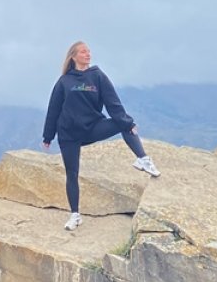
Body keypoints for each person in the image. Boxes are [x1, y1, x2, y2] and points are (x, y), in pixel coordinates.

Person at [42, 41, 159, 231]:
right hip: (69, 134)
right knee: (72, 174)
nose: (88, 54)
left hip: (91, 127)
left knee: (123, 122)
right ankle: (75, 215)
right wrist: (48, 136)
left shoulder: (97, 76)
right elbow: (53, 110)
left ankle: (143, 159)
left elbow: (113, 102)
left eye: (89, 51)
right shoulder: (64, 81)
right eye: (83, 52)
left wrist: (128, 122)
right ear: (73, 56)